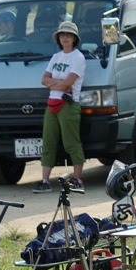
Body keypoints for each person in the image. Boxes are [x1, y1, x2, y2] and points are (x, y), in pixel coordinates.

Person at [33, 21, 86, 194]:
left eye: (69, 35)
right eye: (62, 34)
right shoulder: (56, 57)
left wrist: (55, 84)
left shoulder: (78, 57)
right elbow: (43, 80)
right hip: (52, 103)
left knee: (71, 142)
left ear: (74, 38)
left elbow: (68, 85)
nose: (65, 37)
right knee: (48, 142)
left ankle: (77, 179)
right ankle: (45, 180)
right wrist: (59, 84)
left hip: (68, 104)